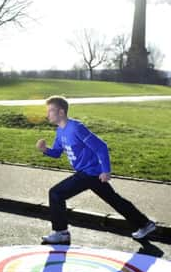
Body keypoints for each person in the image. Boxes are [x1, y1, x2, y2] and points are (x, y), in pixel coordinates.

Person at [36, 95, 155, 244]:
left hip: (89, 173)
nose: (47, 114)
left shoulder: (76, 128)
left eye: (50, 111)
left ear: (61, 112)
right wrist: (45, 149)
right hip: (89, 174)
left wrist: (106, 170)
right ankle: (145, 224)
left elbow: (101, 146)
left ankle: (61, 232)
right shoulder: (60, 131)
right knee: (114, 200)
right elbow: (57, 152)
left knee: (56, 193)